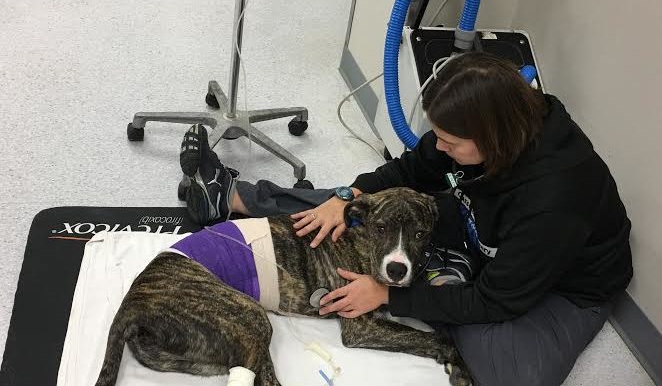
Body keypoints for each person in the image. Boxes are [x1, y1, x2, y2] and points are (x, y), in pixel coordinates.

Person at [178, 52, 633, 386]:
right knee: (358, 213)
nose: (439, 147)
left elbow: (498, 302)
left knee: (504, 372)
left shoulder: (555, 200)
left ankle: (444, 282)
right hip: (481, 225)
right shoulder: (487, 130)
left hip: (564, 290)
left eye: (450, 141)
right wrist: (343, 197)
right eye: (437, 135)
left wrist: (389, 296)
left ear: (493, 135)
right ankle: (233, 197)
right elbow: (405, 173)